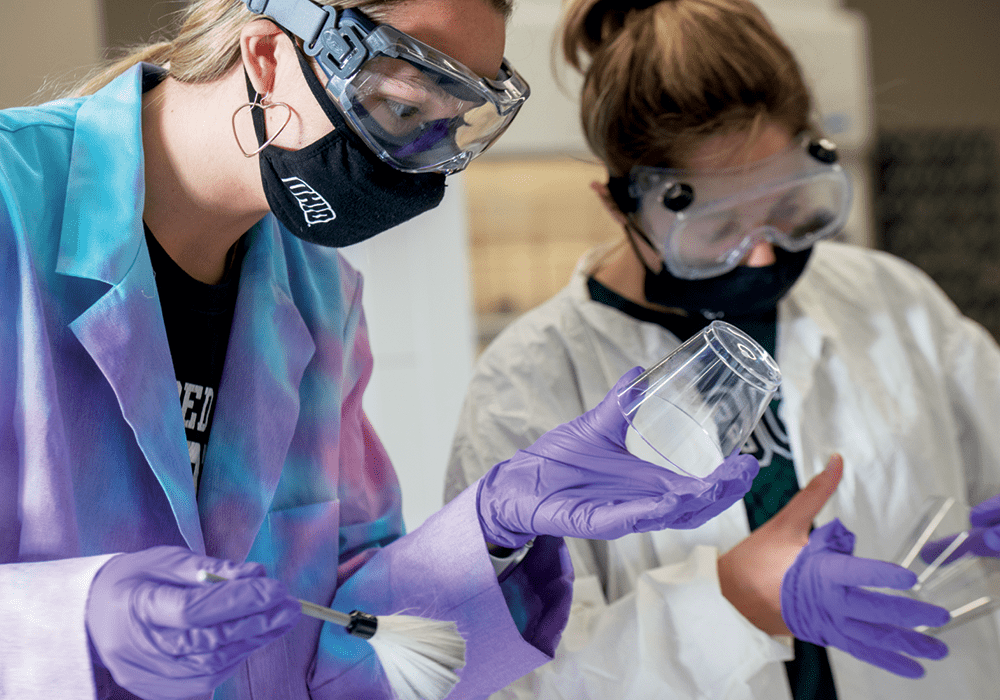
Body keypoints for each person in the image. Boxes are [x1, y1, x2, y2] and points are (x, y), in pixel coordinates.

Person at [0, 0, 762, 698]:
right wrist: (69, 622)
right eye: (401, 109)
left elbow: (347, 636)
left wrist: (493, 526)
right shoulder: (11, 203)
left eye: (448, 126)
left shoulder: (321, 294)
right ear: (267, 57)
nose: (417, 166)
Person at [445, 0, 1000, 698]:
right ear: (618, 205)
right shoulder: (529, 385)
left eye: (786, 207)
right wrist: (731, 601)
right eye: (718, 226)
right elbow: (513, 678)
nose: (763, 250)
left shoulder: (890, 300)